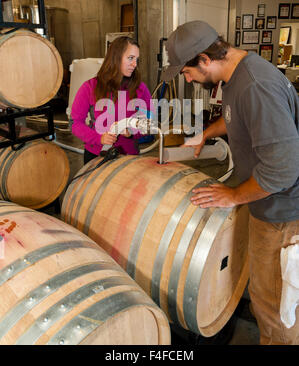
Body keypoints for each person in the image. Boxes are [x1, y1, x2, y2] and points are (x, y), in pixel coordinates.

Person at [161, 20, 299, 345]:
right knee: (266, 292)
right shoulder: (236, 78)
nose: (186, 77)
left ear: (205, 60)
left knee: (278, 311)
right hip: (266, 205)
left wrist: (233, 195)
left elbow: (283, 170)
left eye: (187, 71)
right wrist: (205, 133)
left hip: (283, 213)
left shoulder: (255, 85)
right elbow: (237, 115)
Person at [70, 36, 152, 164]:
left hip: (130, 158)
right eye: (130, 58)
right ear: (116, 57)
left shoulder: (141, 89)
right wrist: (99, 138)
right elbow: (75, 123)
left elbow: (148, 123)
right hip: (96, 156)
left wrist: (131, 132)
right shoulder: (90, 87)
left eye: (137, 59)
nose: (135, 64)